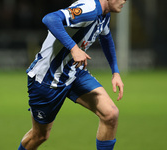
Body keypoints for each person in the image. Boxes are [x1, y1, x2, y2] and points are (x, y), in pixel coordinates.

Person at [18, 0, 126, 149]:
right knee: (40, 136)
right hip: (48, 78)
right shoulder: (89, 9)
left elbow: (106, 37)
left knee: (111, 114)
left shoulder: (104, 15)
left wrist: (115, 72)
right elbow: (50, 19)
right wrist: (74, 48)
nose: (124, 1)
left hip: (74, 72)